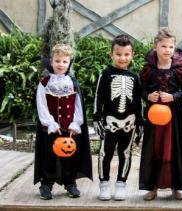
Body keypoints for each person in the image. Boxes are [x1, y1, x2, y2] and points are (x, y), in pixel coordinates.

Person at [34, 43, 92, 200]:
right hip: (51, 128)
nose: (61, 64)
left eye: (64, 61)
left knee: (69, 157)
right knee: (48, 156)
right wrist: (50, 123)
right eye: (57, 61)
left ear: (69, 63)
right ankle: (46, 184)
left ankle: (70, 183)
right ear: (51, 61)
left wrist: (76, 123)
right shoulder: (45, 83)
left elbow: (78, 106)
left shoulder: (72, 83)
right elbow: (42, 105)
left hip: (69, 129)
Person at [139, 27, 182, 201]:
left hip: (173, 115)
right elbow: (141, 90)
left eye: (171, 47)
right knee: (154, 149)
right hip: (153, 116)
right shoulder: (148, 70)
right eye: (163, 46)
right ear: (155, 47)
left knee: (173, 149)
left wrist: (173, 96)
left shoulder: (180, 69)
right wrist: (148, 96)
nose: (167, 50)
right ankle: (152, 187)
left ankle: (176, 186)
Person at [93, 35, 143, 201]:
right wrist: (96, 118)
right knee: (104, 153)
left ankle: (121, 183)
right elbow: (98, 97)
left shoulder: (134, 77)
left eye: (126, 54)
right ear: (111, 55)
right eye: (119, 54)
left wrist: (140, 122)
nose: (123, 58)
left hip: (129, 122)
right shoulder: (106, 74)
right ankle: (104, 184)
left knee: (125, 153)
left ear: (132, 55)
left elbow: (138, 100)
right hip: (110, 121)